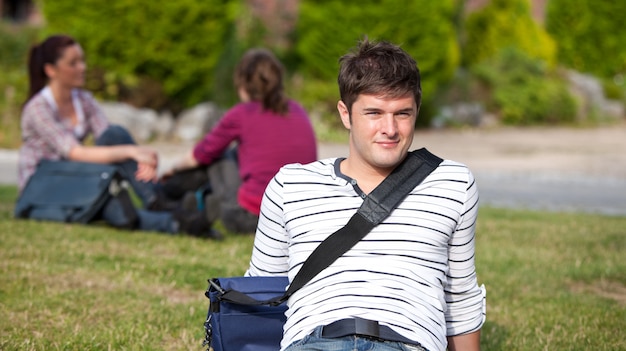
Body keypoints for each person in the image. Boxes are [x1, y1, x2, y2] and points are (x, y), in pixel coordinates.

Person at [246, 38, 486, 351]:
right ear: (345, 114)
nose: (390, 129)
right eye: (374, 112)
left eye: (402, 113)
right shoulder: (291, 184)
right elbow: (262, 293)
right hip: (315, 343)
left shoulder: (452, 184)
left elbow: (461, 299)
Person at [17, 34, 212, 237]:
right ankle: (180, 219)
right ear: (51, 70)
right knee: (117, 209)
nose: (82, 67)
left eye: (82, 61)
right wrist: (134, 151)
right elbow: (75, 152)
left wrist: (136, 156)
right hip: (46, 187)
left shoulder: (83, 100)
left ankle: (159, 201)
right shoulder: (38, 109)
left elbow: (109, 139)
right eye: (73, 63)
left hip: (76, 177)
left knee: (115, 135)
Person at [161, 48, 317, 234]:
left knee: (220, 155)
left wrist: (171, 168)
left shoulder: (242, 113)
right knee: (239, 153)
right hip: (298, 217)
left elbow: (200, 155)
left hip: (250, 218)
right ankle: (198, 200)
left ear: (242, 83)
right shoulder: (297, 109)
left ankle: (186, 197)